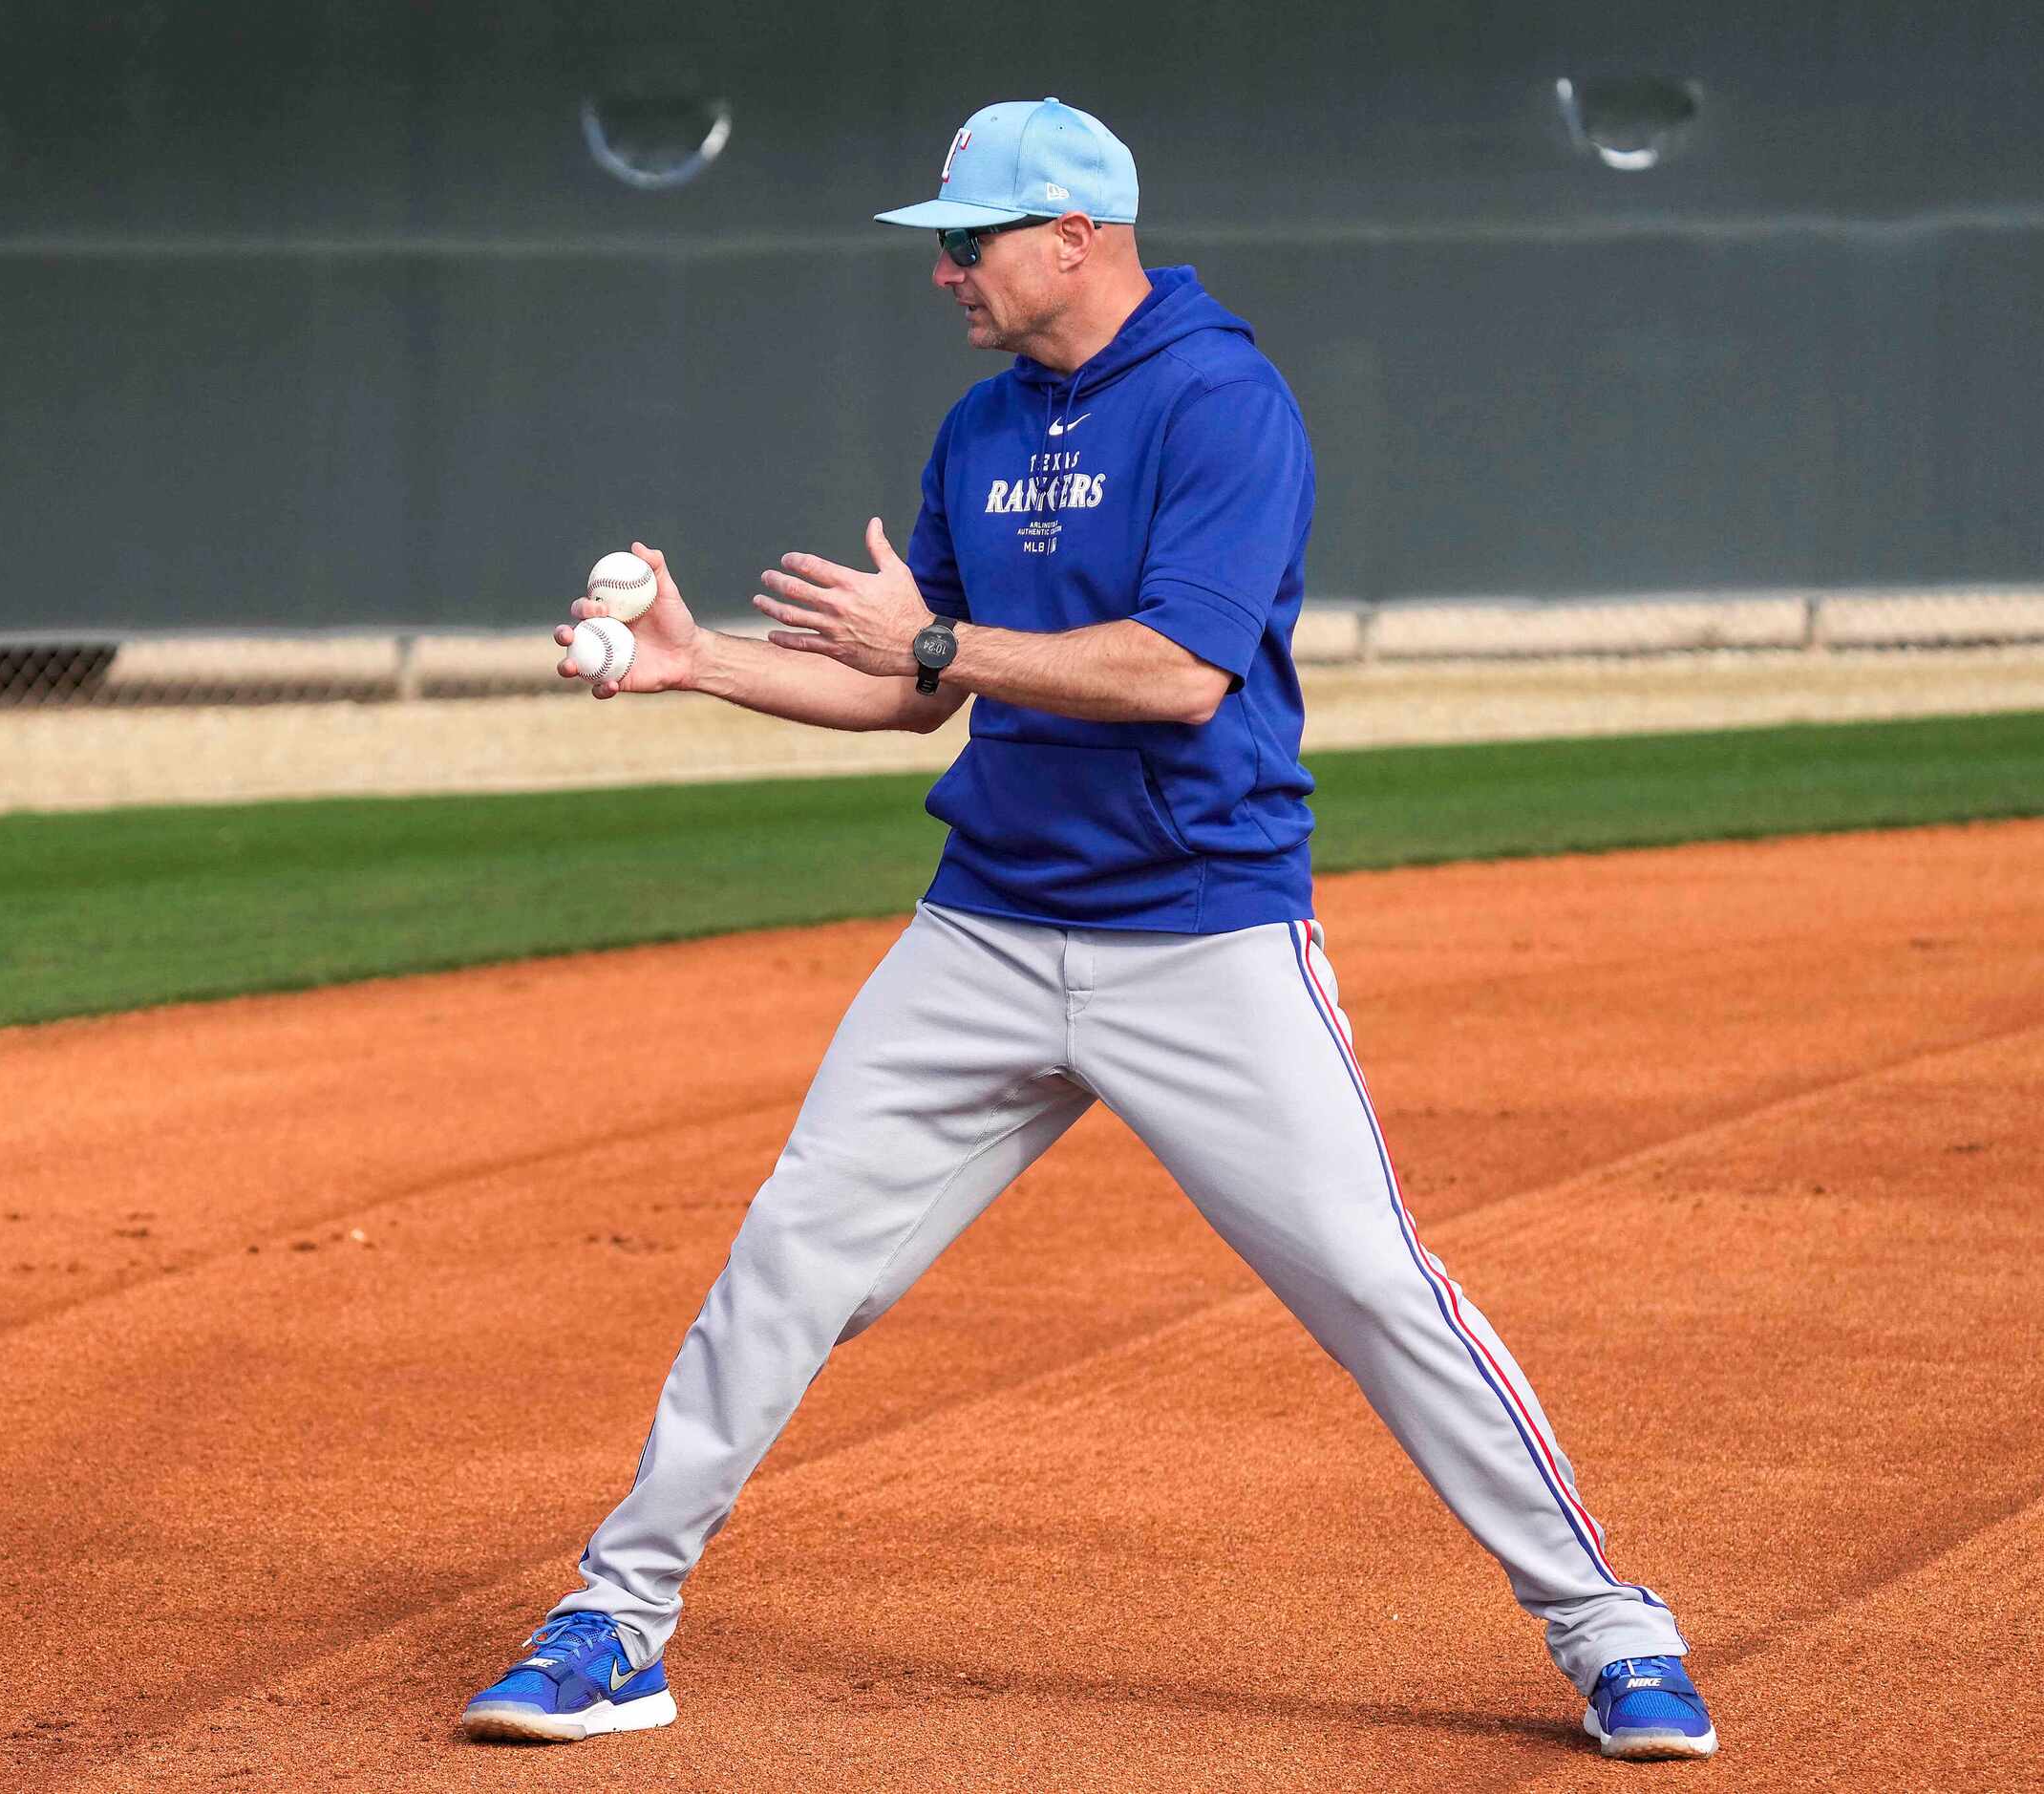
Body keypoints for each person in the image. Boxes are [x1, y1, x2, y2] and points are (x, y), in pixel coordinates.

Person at [462, 98, 1714, 1763]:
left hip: (1202, 933)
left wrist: (937, 643)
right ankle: (617, 1615)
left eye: (966, 241)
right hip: (985, 931)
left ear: (1076, 233)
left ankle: (1609, 1627)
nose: (945, 272)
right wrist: (698, 664)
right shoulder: (982, 424)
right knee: (789, 1259)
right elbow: (912, 693)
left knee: (1369, 1282)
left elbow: (1173, 673)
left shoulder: (1223, 402)